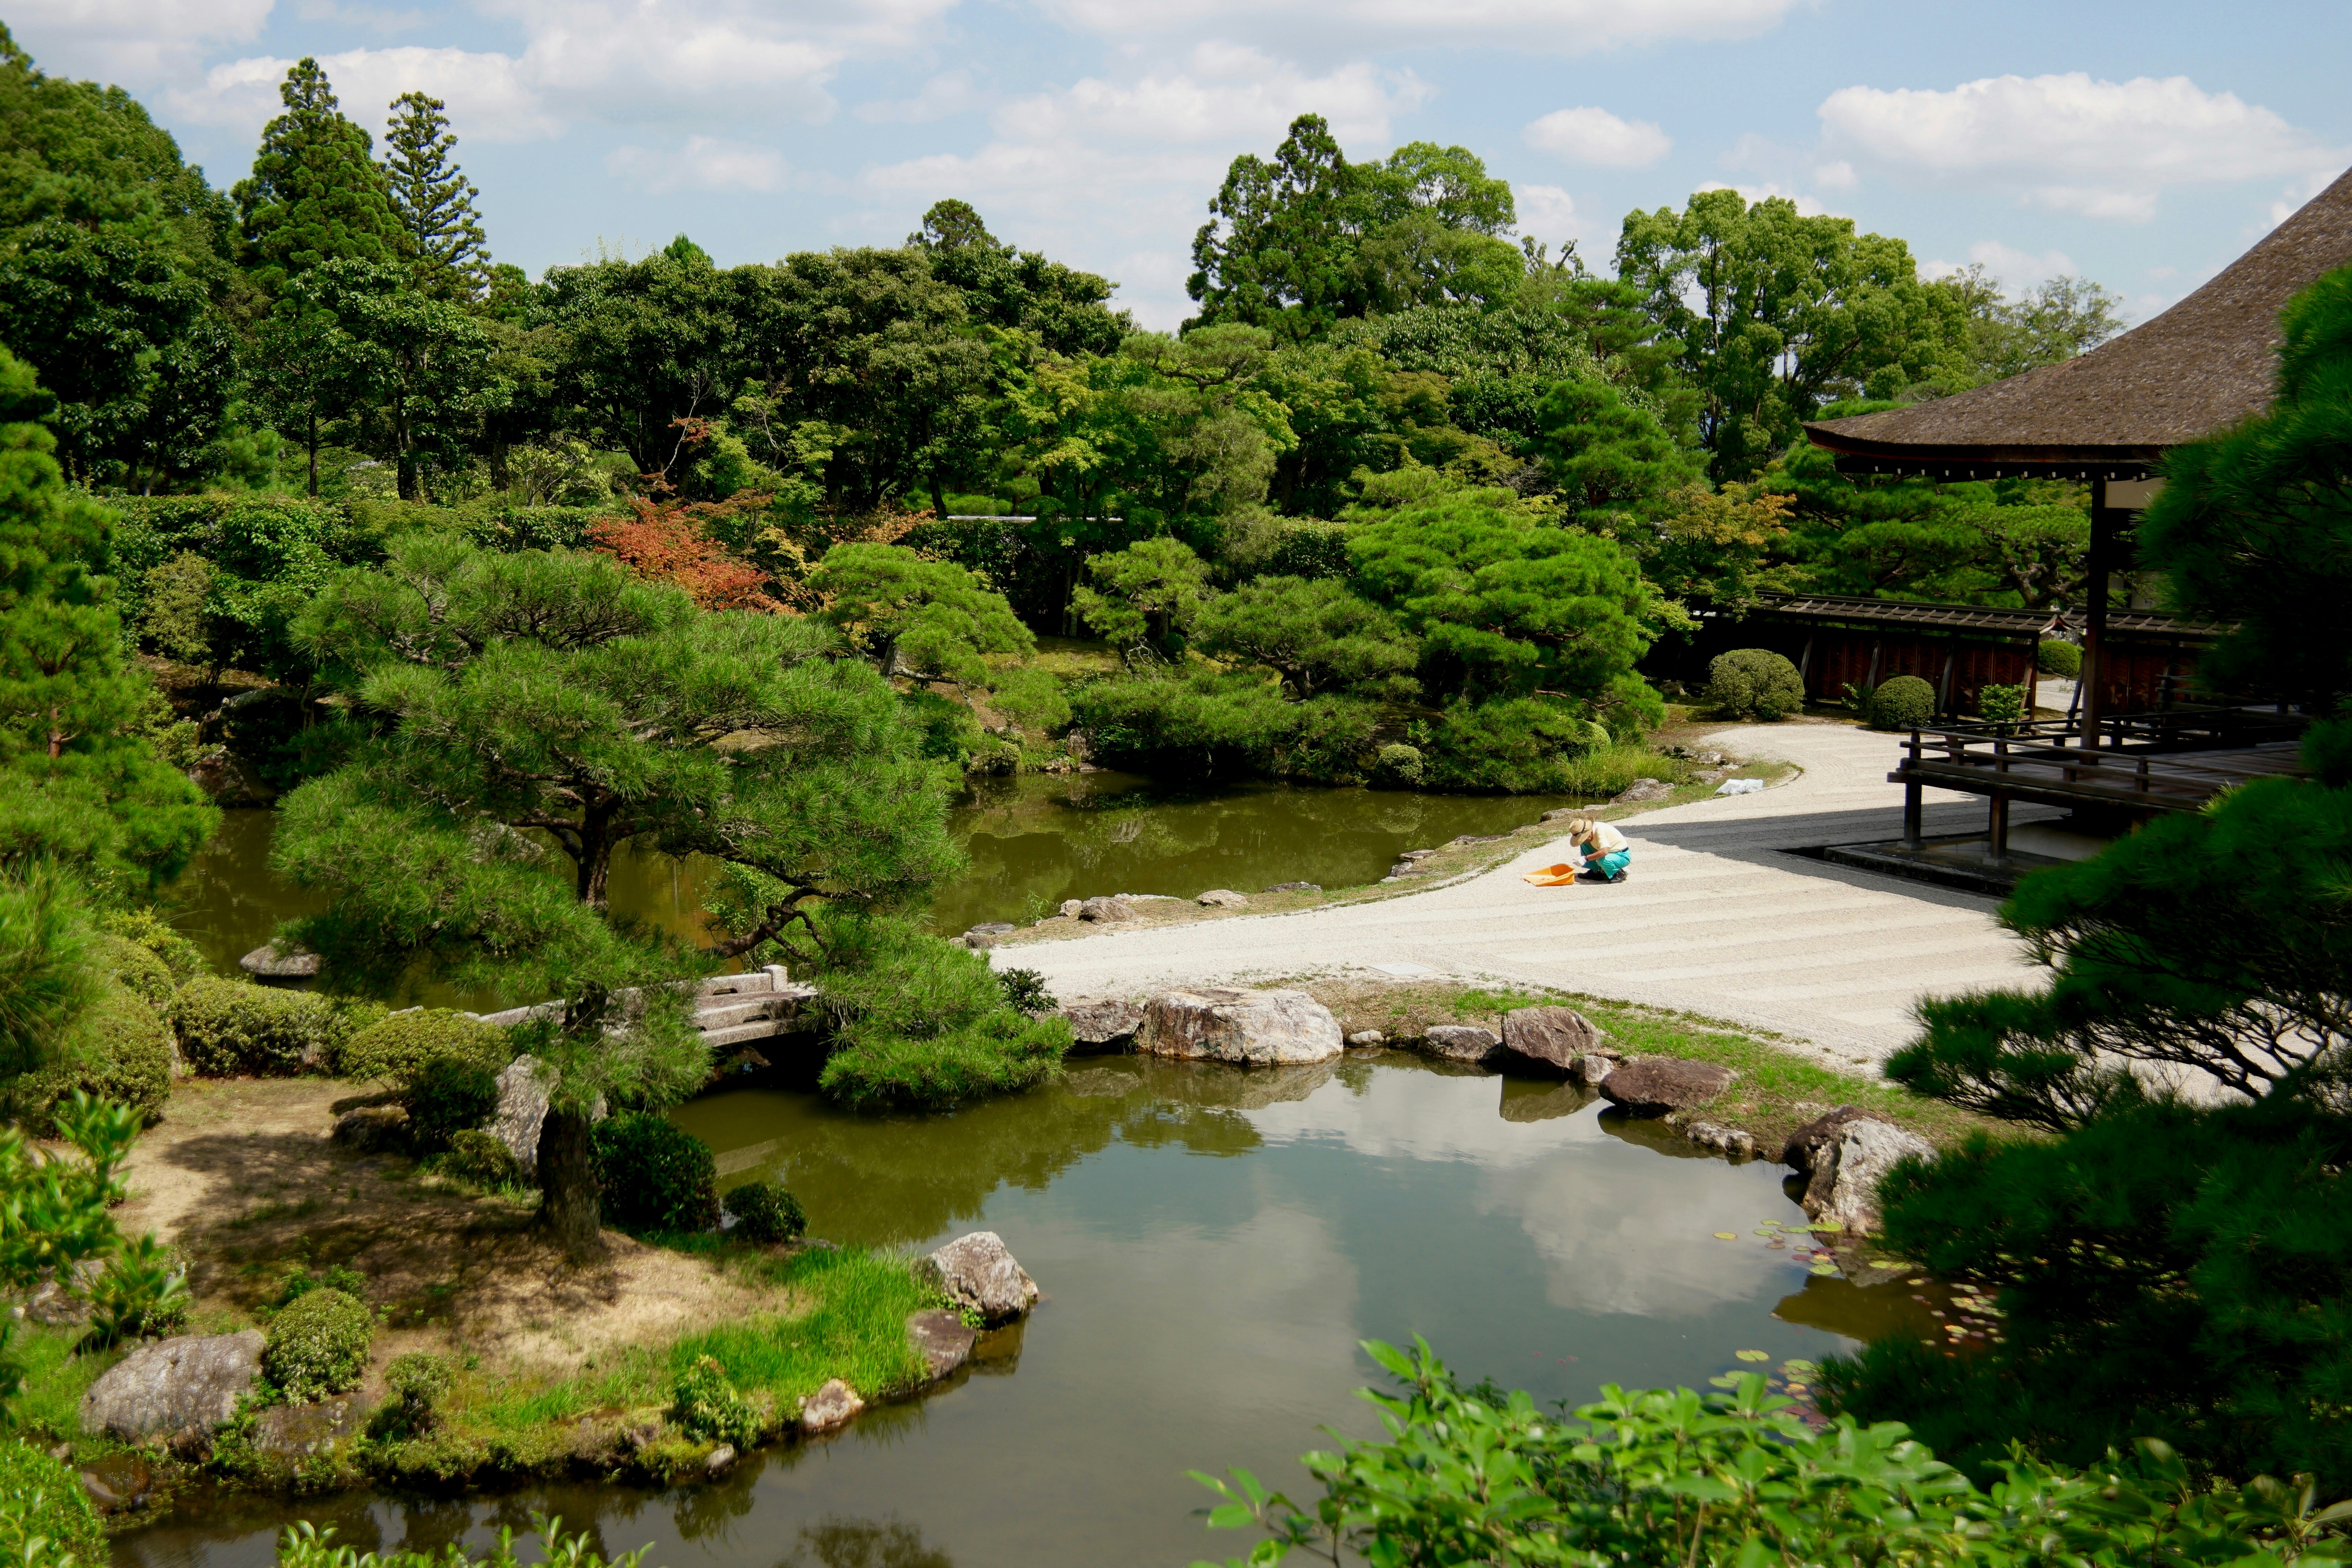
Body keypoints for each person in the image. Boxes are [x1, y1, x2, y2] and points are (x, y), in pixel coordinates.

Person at [1562, 817, 1630, 883]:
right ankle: (1595, 872)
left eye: (1584, 837)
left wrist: (1585, 859)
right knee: (1584, 843)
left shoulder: (1600, 831)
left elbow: (1604, 852)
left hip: (1622, 856)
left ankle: (1619, 873)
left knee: (1602, 860)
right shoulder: (1592, 832)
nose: (1585, 839)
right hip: (1611, 853)